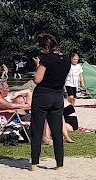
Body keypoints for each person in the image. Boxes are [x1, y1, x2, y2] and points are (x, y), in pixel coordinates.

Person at [27, 32, 71, 171]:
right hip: (58, 96)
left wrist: (38, 65)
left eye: (42, 48)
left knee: (37, 129)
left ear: (46, 46)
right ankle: (59, 163)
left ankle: (34, 163)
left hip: (42, 96)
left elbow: (37, 79)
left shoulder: (46, 58)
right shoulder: (66, 59)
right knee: (57, 130)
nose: (42, 51)